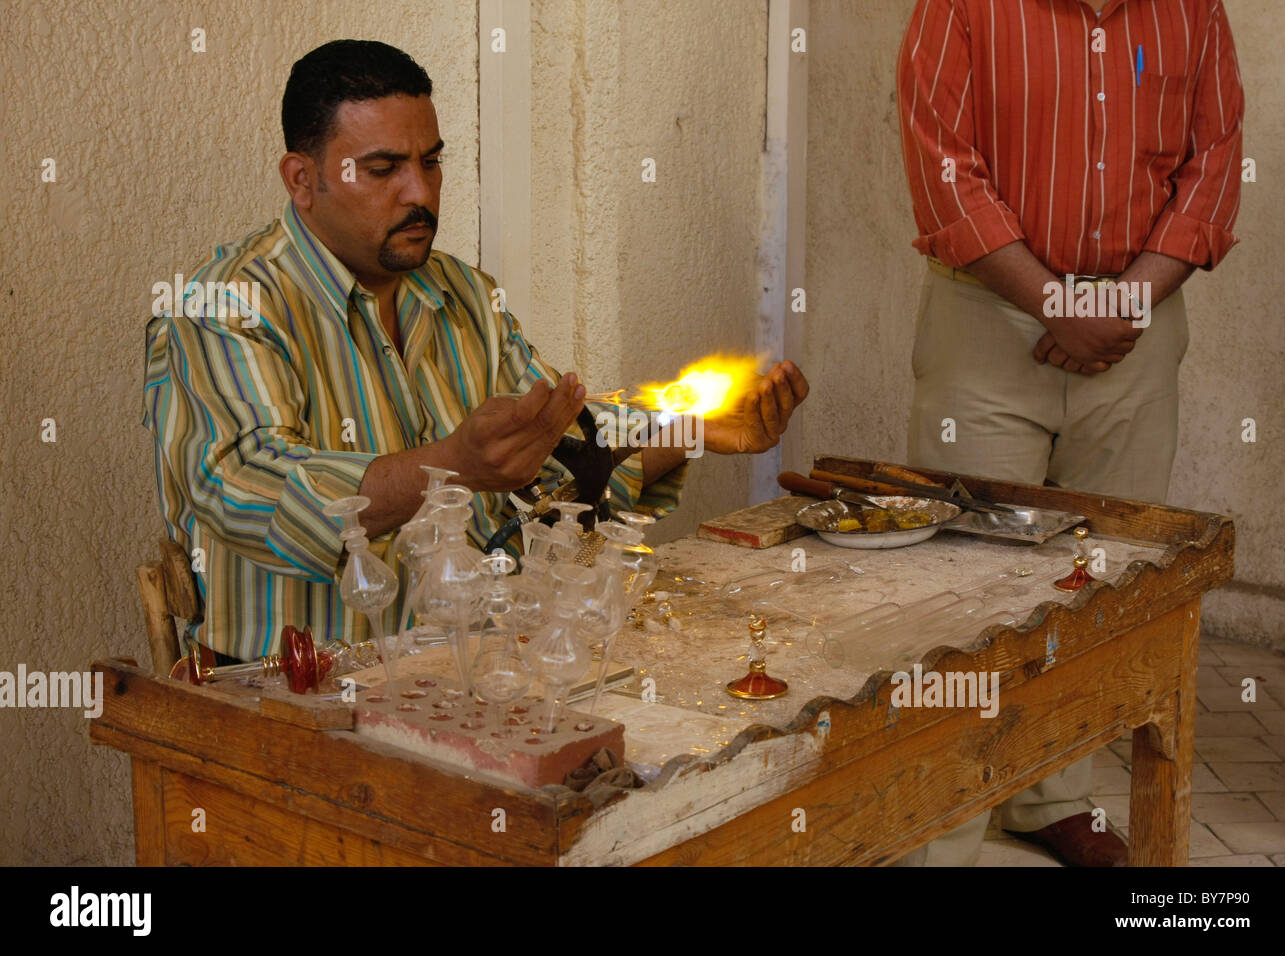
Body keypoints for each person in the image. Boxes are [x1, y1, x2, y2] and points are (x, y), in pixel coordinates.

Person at [143, 39, 808, 663]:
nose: (421, 193)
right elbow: (247, 489)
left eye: (431, 161)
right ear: (301, 180)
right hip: (289, 697)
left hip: (472, 669)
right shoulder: (223, 302)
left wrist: (690, 431)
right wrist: (450, 468)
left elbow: (555, 454)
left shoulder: (462, 294)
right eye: (383, 169)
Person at [896, 0, 1242, 865]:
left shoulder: (1192, 10)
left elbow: (1214, 164)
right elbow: (942, 163)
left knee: (1101, 575)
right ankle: (941, 825)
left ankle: (1051, 795)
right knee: (963, 581)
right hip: (987, 314)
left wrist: (1117, 304)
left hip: (1137, 320)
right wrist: (1055, 302)